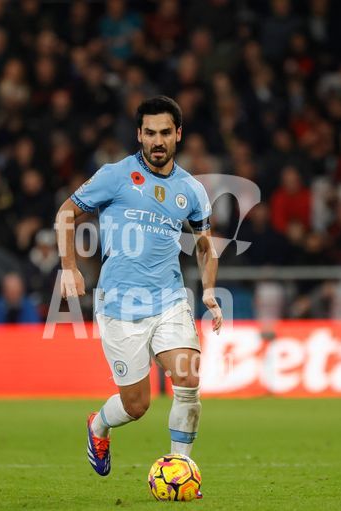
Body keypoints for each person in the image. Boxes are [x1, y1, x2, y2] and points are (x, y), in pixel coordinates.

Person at [55, 96, 222, 490]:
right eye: (150, 133)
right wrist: (69, 267)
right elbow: (66, 212)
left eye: (164, 132)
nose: (157, 140)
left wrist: (210, 290)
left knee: (188, 376)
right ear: (139, 135)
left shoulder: (191, 189)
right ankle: (98, 425)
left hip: (169, 300)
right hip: (119, 306)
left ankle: (180, 467)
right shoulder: (115, 176)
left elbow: (205, 245)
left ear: (178, 134)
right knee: (136, 405)